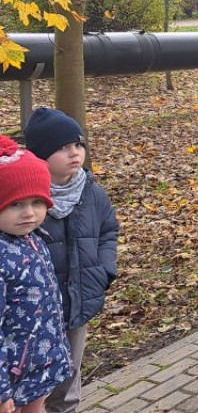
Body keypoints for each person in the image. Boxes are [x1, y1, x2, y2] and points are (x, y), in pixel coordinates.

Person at [23, 109, 117, 413]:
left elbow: (108, 231)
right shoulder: (25, 199)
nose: (74, 153)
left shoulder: (91, 191)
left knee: (68, 377)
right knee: (32, 383)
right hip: (34, 310)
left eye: (78, 144)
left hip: (78, 300)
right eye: (63, 147)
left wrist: (104, 271)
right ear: (41, 154)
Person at [0, 136, 72, 413]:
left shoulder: (33, 238)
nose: (29, 213)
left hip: (37, 368)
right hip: (11, 378)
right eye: (15, 204)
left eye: (37, 202)